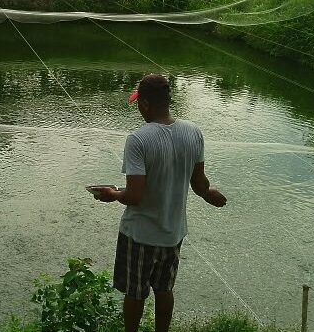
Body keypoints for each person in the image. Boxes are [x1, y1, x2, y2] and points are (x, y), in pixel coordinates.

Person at [93, 74, 227, 332]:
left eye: (138, 104)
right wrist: (209, 193)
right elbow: (200, 184)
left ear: (144, 104)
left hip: (140, 235)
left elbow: (134, 196)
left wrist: (112, 194)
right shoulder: (193, 132)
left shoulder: (138, 140)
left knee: (135, 293)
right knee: (165, 290)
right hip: (173, 234)